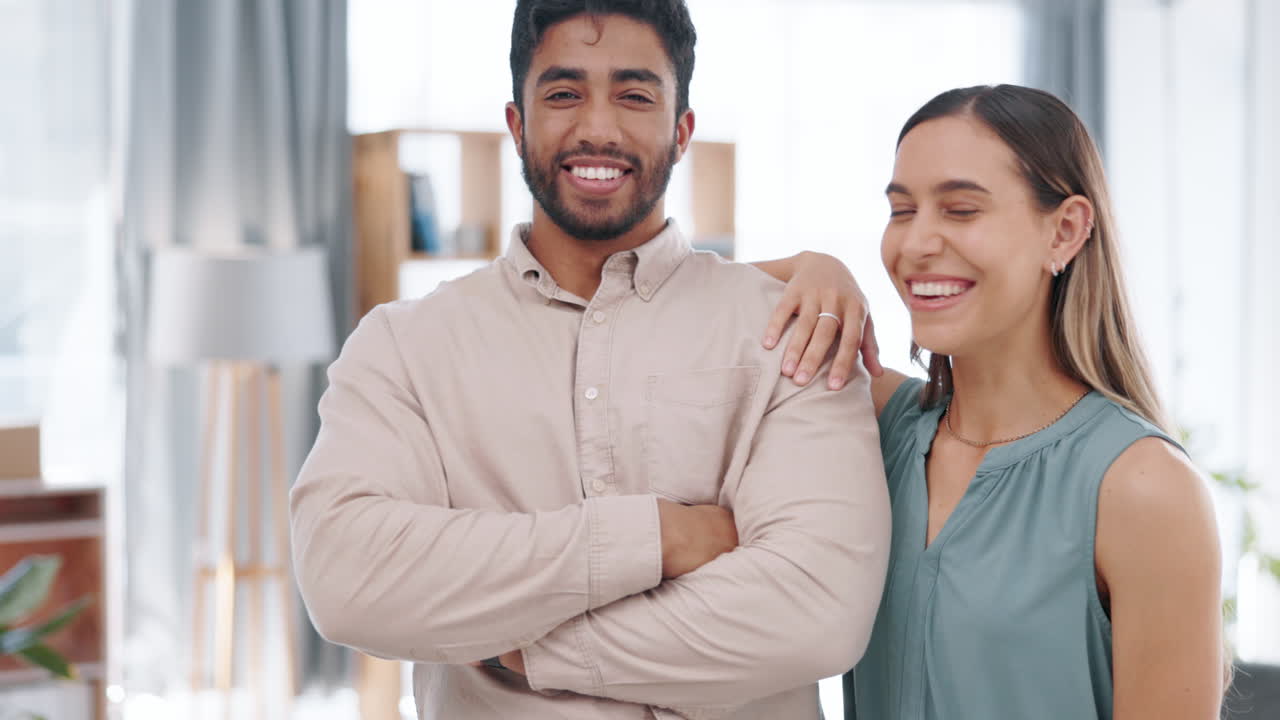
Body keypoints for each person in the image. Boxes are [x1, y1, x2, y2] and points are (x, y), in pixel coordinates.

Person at [289, 1, 890, 718]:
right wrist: (659, 536)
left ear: (682, 129)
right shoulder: (405, 346)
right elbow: (348, 577)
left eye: (635, 96)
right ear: (517, 125)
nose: (598, 128)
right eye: (564, 93)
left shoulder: (791, 325)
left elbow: (816, 610)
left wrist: (521, 649)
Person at [757, 85, 1226, 719]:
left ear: (1064, 232)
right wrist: (814, 266)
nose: (916, 244)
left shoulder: (1143, 488)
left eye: (960, 210)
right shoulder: (867, 421)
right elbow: (661, 300)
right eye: (901, 211)